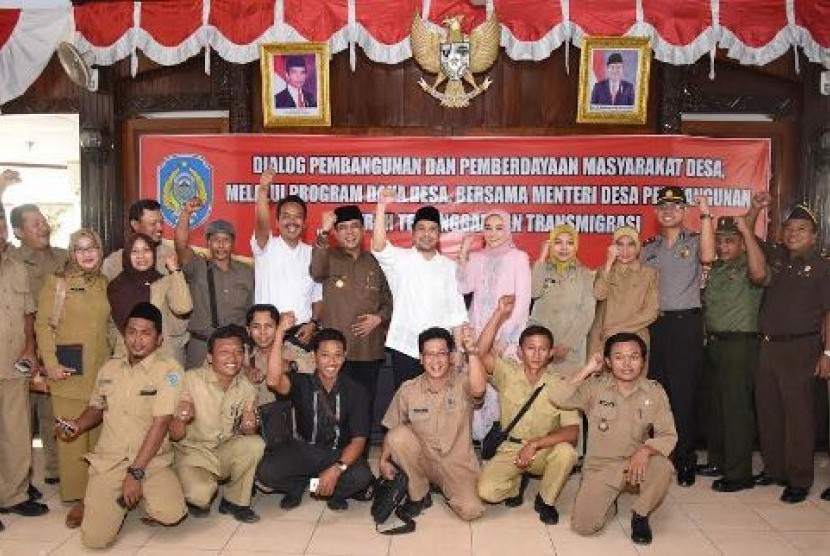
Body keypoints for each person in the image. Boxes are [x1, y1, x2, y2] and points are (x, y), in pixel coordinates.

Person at [57, 302, 187, 549]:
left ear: (159, 339)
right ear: (124, 334)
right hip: (110, 460)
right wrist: (77, 425)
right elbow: (97, 407)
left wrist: (135, 474)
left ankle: (134, 500)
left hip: (150, 463)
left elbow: (161, 424)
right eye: (132, 332)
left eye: (146, 334)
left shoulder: (170, 371)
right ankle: (97, 499)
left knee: (171, 514)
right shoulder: (109, 369)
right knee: (95, 541)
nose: (137, 341)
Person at [739, 202, 830, 504]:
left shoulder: (822, 266)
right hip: (768, 345)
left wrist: (828, 353)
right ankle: (775, 469)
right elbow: (746, 234)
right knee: (768, 411)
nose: (793, 234)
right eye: (789, 229)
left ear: (814, 236)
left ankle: (800, 478)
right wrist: (753, 209)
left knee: (798, 416)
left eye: (801, 229)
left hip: (801, 347)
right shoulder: (776, 256)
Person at [550, 333, 677, 545]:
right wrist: (588, 369)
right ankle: (611, 498)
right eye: (619, 357)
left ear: (643, 361)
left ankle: (641, 515)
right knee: (584, 526)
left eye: (634, 356)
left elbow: (668, 435)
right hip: (601, 468)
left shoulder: (654, 392)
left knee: (663, 466)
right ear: (608, 362)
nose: (627, 364)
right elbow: (557, 397)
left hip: (637, 464)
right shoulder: (595, 387)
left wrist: (645, 450)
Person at [472, 296, 580, 524]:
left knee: (567, 452)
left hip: (542, 450)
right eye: (530, 348)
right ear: (520, 352)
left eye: (543, 349)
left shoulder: (561, 384)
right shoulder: (508, 373)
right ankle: (515, 483)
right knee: (487, 492)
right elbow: (480, 353)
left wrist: (536, 444)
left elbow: (572, 432)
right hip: (510, 448)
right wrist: (499, 315)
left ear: (551, 353)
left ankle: (546, 501)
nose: (536, 354)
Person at [258, 316, 375, 511]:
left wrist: (337, 469)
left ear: (345, 356)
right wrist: (279, 334)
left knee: (361, 476)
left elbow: (358, 441)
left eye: (338, 355)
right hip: (304, 450)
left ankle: (329, 489)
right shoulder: (301, 382)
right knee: (266, 472)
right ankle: (302, 485)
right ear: (314, 357)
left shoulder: (356, 391)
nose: (332, 361)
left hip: (336, 453)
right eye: (325, 355)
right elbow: (272, 381)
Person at [37, 228, 111, 528]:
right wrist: (51, 364)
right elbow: (42, 325)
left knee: (98, 436)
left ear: (100, 250)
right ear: (72, 253)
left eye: (91, 247)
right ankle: (78, 500)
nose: (87, 253)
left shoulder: (105, 283)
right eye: (80, 249)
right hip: (68, 372)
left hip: (101, 371)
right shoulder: (57, 283)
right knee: (71, 437)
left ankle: (97, 493)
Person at [641, 188, 714, 486]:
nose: (668, 211)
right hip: (655, 325)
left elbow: (709, 256)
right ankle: (659, 457)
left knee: (683, 396)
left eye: (675, 206)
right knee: (657, 395)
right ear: (656, 213)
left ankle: (685, 460)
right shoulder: (649, 249)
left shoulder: (695, 242)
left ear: (684, 211)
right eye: (662, 207)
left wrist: (706, 213)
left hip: (685, 326)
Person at [379, 327, 485, 522]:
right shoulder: (408, 389)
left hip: (457, 464)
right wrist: (383, 460)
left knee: (471, 510)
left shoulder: (463, 383)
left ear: (451, 356)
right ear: (421, 358)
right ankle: (419, 494)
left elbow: (478, 390)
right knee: (398, 436)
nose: (435, 360)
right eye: (429, 354)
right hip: (425, 459)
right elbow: (392, 425)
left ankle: (447, 487)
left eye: (441, 353)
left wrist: (472, 352)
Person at [372, 188, 468, 389]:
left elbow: (457, 313)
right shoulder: (400, 260)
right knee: (407, 408)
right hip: (406, 347)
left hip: (440, 352)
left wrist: (458, 350)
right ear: (413, 233)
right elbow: (379, 246)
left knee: (439, 409)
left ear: (439, 234)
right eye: (421, 229)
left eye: (432, 229)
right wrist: (381, 207)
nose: (427, 234)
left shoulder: (450, 268)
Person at [310, 205, 393, 434]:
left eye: (354, 226)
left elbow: (390, 300)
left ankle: (360, 461)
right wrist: (323, 232)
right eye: (343, 228)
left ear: (363, 229)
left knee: (364, 408)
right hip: (336, 356)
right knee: (335, 409)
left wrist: (379, 318)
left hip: (369, 351)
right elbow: (316, 271)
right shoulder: (328, 257)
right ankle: (336, 459)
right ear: (336, 233)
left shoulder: (376, 262)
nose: (349, 232)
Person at [170, 325, 264, 523]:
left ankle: (234, 501)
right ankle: (189, 482)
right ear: (210, 357)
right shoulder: (190, 380)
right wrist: (180, 418)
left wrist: (250, 427)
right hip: (193, 452)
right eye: (224, 352)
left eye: (238, 352)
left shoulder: (247, 388)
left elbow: (248, 431)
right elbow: (174, 434)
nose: (233, 358)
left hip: (223, 450)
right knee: (200, 496)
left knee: (255, 444)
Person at [6, 194, 67, 489]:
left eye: (43, 221)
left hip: (57, 346)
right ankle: (20, 481)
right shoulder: (12, 261)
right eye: (34, 224)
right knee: (18, 420)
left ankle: (55, 470)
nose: (42, 227)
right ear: (18, 232)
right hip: (22, 350)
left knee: (53, 408)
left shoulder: (63, 257)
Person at [699, 216, 762, 492]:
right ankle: (719, 461)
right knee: (717, 406)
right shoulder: (715, 269)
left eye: (730, 241)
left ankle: (739, 474)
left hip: (739, 343)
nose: (723, 247)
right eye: (720, 241)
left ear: (743, 244)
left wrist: (748, 225)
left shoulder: (750, 265)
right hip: (715, 342)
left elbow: (760, 275)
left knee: (736, 409)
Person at [0, 201, 49, 524]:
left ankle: (13, 494)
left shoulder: (15, 267)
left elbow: (28, 315)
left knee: (16, 434)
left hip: (13, 363)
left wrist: (30, 348)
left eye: (1, 225)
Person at [175, 198, 254, 369]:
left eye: (226, 240)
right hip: (202, 347)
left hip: (235, 348)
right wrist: (186, 213)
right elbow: (181, 246)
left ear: (233, 244)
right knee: (195, 393)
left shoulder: (247, 273)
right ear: (208, 243)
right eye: (215, 239)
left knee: (237, 394)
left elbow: (252, 313)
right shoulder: (198, 266)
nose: (221, 245)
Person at [253, 170, 323, 351]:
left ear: (305, 223)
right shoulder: (266, 246)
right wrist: (262, 192)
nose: (292, 221)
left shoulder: (312, 253)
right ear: (276, 223)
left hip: (302, 335)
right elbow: (261, 224)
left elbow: (318, 296)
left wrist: (313, 323)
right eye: (286, 216)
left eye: (297, 216)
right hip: (268, 334)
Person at [108, 233, 192, 365]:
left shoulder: (163, 281)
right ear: (127, 255)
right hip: (125, 358)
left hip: (159, 359)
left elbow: (183, 307)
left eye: (146, 250)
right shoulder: (115, 287)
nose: (141, 256)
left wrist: (175, 271)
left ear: (153, 253)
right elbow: (111, 325)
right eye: (134, 251)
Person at [530, 224, 597, 376]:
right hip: (541, 346)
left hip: (571, 348)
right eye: (558, 242)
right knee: (538, 395)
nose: (564, 248)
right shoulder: (542, 269)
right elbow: (534, 292)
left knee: (568, 393)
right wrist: (542, 256)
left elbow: (587, 312)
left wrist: (567, 345)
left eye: (570, 243)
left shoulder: (584, 274)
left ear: (576, 246)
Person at [590, 226, 659, 356]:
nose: (625, 251)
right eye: (619, 245)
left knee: (632, 375)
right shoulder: (605, 271)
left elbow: (651, 312)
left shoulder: (649, 274)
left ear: (638, 247)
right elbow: (599, 294)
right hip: (603, 339)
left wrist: (618, 330)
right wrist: (609, 262)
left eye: (630, 245)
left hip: (635, 337)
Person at [101, 199, 171, 279]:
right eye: (153, 223)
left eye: (161, 222)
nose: (160, 228)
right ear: (135, 225)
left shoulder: (170, 256)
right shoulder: (114, 263)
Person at [244, 304, 281, 407]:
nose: (263, 332)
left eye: (268, 326)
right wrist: (246, 369)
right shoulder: (243, 354)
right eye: (256, 326)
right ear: (248, 330)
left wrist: (287, 365)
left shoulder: (292, 352)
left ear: (278, 329)